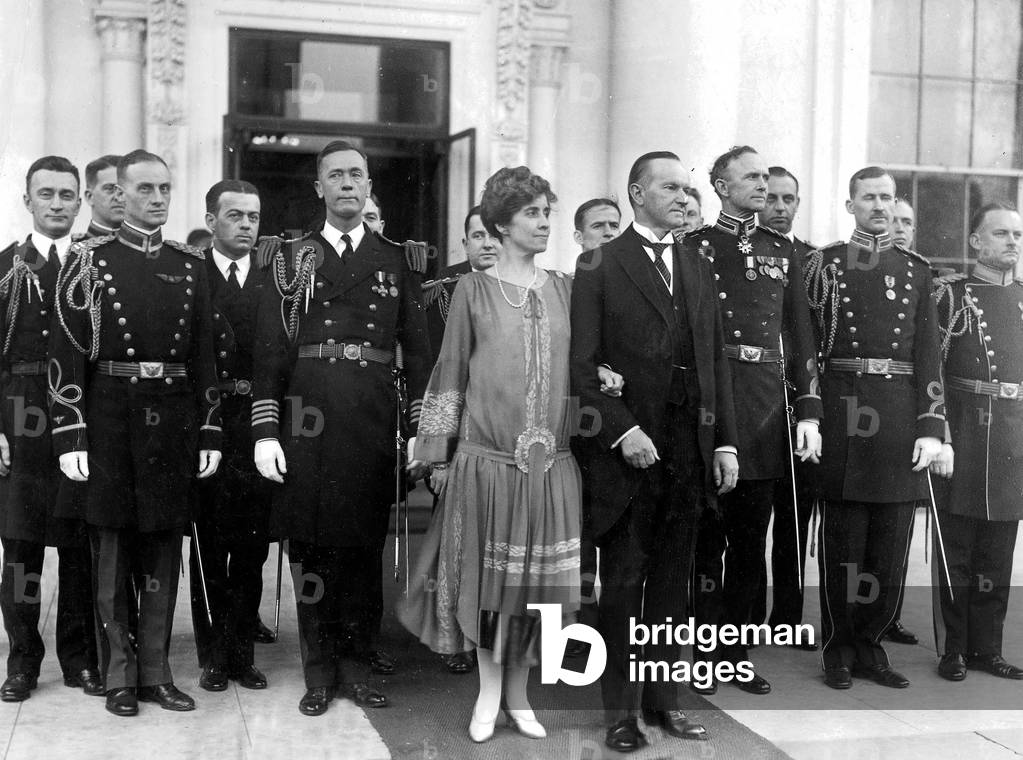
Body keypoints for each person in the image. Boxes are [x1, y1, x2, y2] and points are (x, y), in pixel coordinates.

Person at [398, 165, 580, 744]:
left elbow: (581, 369)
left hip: (551, 468)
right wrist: (435, 451)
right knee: (492, 586)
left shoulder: (564, 288)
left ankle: (521, 698)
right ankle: (488, 694)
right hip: (488, 465)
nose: (544, 222)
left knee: (533, 591)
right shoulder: (472, 292)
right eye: (532, 213)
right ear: (500, 224)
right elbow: (449, 372)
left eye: (547, 212)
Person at [252, 140, 431, 716]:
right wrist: (264, 431)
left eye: (357, 174)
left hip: (372, 418)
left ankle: (357, 667)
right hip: (307, 418)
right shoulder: (288, 258)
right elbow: (271, 353)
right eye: (336, 175)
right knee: (310, 551)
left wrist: (421, 433)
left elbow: (420, 356)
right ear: (319, 188)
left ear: (369, 184)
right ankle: (318, 672)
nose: (348, 184)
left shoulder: (397, 259)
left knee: (360, 551)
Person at [571, 151, 739, 753]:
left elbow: (716, 361)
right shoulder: (598, 264)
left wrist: (724, 442)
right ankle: (620, 714)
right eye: (669, 187)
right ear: (636, 194)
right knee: (622, 585)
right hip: (627, 454)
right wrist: (622, 430)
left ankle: (663, 706)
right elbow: (582, 367)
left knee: (672, 584)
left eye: (686, 188)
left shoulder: (695, 263)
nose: (682, 197)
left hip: (688, 451)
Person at [49, 149, 223, 717]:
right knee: (113, 551)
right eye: (144, 188)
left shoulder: (190, 265)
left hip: (170, 418)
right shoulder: (87, 261)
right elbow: (67, 355)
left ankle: (156, 673)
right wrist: (70, 433)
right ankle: (118, 676)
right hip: (108, 416)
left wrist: (210, 430)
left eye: (165, 189)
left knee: (162, 550)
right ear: (120, 193)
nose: (156, 198)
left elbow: (204, 359)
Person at [802, 166, 944, 690]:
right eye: (869, 198)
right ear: (851, 204)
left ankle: (871, 644)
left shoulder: (916, 269)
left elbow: (929, 355)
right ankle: (838, 647)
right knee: (845, 541)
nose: (879, 207)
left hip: (900, 415)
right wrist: (811, 413)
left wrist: (932, 427)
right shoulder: (825, 265)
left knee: (890, 542)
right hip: (844, 409)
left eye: (887, 198)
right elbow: (806, 347)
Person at [686, 148, 822, 696]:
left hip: (765, 406)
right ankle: (702, 650)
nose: (763, 185)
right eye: (751, 177)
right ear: (721, 185)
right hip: (710, 402)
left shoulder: (781, 250)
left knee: (751, 539)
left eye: (767, 176)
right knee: (705, 536)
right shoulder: (693, 247)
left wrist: (808, 409)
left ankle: (736, 656)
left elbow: (802, 336)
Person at [0, 156, 101, 703]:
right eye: (47, 195)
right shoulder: (3, 270)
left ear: (80, 200)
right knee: (19, 551)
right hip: (17, 421)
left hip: (80, 424)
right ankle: (22, 661)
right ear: (28, 201)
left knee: (80, 548)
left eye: (67, 195)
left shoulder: (94, 270)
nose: (58, 204)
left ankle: (80, 660)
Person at [931, 202, 1023, 683]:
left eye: (1017, 234)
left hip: (1012, 435)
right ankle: (954, 649)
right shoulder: (950, 296)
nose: (1011, 242)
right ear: (976, 242)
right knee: (959, 549)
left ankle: (988, 647)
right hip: (965, 429)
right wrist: (939, 430)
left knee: (999, 550)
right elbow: (933, 370)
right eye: (1001, 234)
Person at [190, 180, 271, 693]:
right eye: (235, 215)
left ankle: (241, 653)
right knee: (209, 543)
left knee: (252, 546)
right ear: (212, 218)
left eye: (254, 217)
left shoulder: (272, 280)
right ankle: (213, 655)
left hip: (257, 426)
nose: (246, 225)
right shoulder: (189, 274)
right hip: (207, 424)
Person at [750, 166, 821, 649]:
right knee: (751, 520)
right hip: (755, 402)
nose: (779, 207)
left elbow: (816, 335)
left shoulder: (814, 260)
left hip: (799, 400)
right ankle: (748, 617)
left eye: (788, 199)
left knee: (795, 515)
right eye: (771, 198)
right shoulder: (743, 251)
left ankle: (788, 615)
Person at [881, 196, 923, 647]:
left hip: (905, 409)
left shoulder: (921, 275)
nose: (898, 227)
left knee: (899, 525)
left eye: (906, 222)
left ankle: (888, 616)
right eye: (891, 219)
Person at [81, 155, 123, 239]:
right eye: (110, 189)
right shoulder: (73, 249)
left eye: (124, 189)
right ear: (89, 197)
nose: (119, 198)